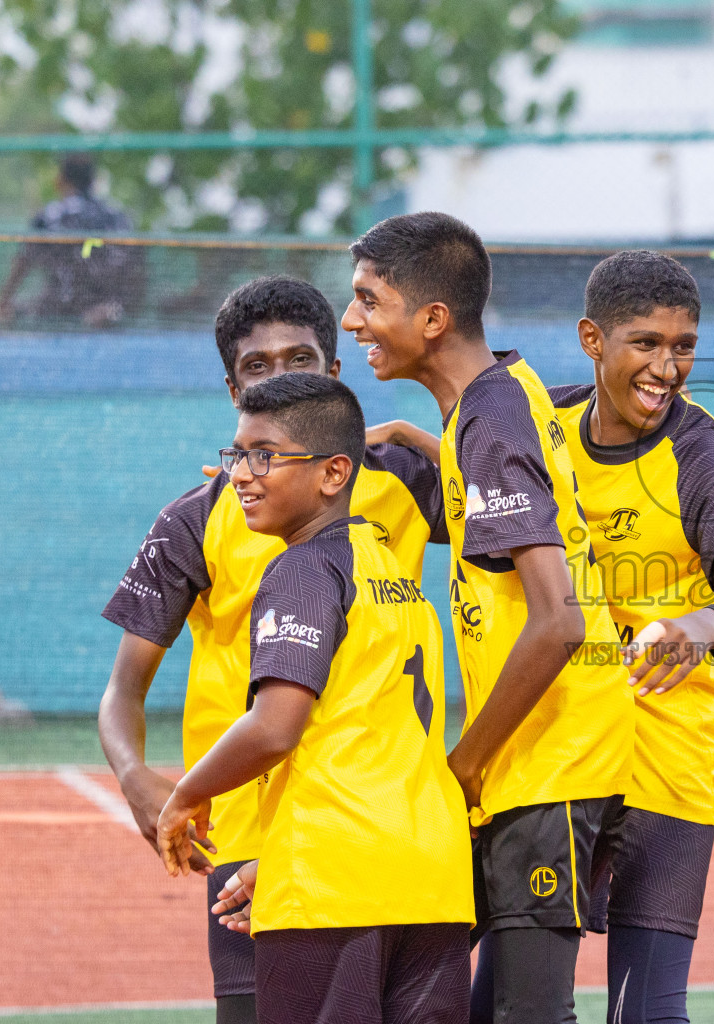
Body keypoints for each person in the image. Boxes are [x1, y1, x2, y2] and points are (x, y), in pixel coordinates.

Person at [376, 250, 714, 1022]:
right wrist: (402, 447)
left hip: (668, 761)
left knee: (645, 1011)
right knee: (496, 993)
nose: (668, 366)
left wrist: (696, 627)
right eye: (646, 342)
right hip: (555, 753)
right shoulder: (544, 420)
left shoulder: (700, 455)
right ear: (592, 340)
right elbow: (484, 507)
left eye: (684, 345)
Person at [98, 276, 446, 1024]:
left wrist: (407, 436)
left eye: (302, 359)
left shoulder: (407, 484)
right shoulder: (197, 520)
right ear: (234, 391)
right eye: (261, 367)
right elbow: (124, 687)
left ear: (335, 375)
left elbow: (523, 493)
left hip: (382, 828)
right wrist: (134, 776)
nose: (284, 376)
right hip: (256, 841)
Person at [342, 211, 633, 1024]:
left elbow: (560, 621)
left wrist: (464, 762)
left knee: (530, 1014)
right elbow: (531, 491)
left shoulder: (490, 417)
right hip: (549, 755)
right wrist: (422, 438)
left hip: (553, 762)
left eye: (369, 299)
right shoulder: (499, 397)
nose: (352, 319)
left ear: (432, 320)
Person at [155, 372, 472, 1024]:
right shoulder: (388, 567)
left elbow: (274, 729)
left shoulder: (303, 568)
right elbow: (360, 739)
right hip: (432, 876)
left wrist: (186, 795)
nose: (240, 474)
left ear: (333, 474)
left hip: (334, 882)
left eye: (263, 456)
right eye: (236, 454)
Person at [0, 152, 143, 327]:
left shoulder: (49, 217)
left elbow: (23, 262)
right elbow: (137, 269)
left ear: (60, 180)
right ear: (93, 181)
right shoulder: (117, 216)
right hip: (107, 314)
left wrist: (2, 302)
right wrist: (119, 308)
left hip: (58, 313)